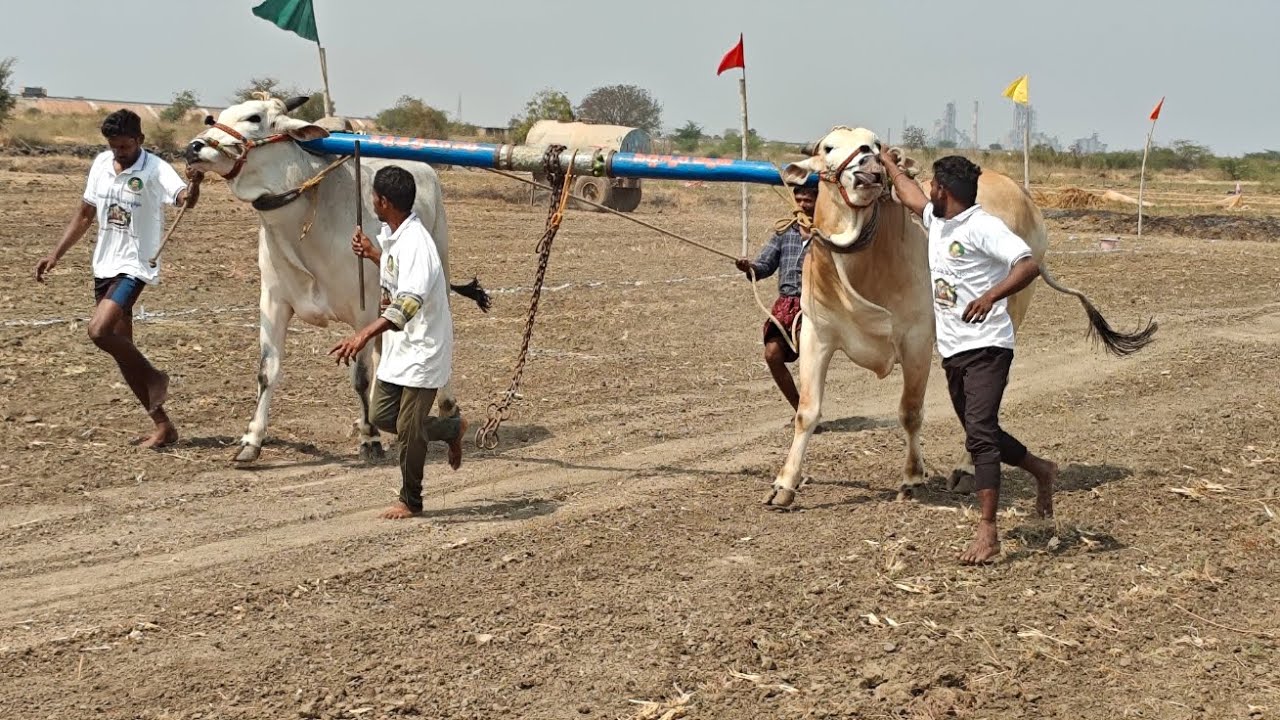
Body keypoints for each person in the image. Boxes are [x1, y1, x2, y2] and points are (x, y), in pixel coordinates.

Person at [881, 150, 1058, 564]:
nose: (927, 189)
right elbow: (909, 195)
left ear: (943, 189)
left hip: (988, 345)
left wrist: (990, 296)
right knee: (983, 432)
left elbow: (1028, 265)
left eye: (931, 184)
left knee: (979, 436)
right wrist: (890, 166)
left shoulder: (984, 227)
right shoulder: (938, 220)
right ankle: (1042, 469)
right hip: (954, 349)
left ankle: (988, 532)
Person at [34, 109, 202, 449]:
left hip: (135, 266)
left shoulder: (156, 169)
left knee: (99, 331)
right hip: (104, 265)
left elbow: (186, 200)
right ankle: (163, 425)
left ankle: (155, 376)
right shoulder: (100, 164)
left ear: (140, 140)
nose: (118, 152)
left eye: (125, 146)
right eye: (113, 146)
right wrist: (56, 254)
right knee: (123, 350)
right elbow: (85, 215)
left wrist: (195, 184)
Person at [329, 165, 466, 520]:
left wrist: (362, 334)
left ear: (385, 202)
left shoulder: (417, 243)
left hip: (423, 348)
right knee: (382, 415)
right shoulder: (395, 235)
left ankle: (411, 500)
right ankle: (452, 428)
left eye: (374, 196)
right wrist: (373, 254)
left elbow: (406, 304)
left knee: (408, 431)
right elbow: (397, 269)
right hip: (399, 347)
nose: (371, 201)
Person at [735, 185, 818, 414]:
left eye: (808, 200)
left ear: (818, 202)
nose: (802, 205)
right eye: (798, 199)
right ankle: (800, 411)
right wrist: (749, 267)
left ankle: (810, 412)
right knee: (772, 354)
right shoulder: (784, 232)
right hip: (786, 305)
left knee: (810, 357)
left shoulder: (828, 235)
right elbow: (765, 265)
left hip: (816, 305)